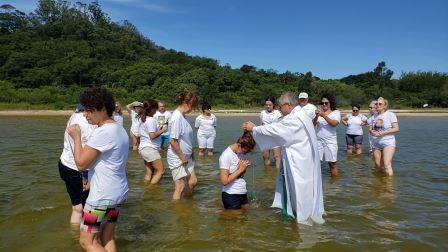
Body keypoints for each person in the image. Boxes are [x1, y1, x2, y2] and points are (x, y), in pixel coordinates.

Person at [242, 92, 325, 225]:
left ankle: (302, 217)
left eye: (281, 106)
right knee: (304, 188)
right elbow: (280, 129)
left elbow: (277, 130)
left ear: (288, 105)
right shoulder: (300, 114)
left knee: (299, 188)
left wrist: (255, 129)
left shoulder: (294, 119)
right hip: (304, 158)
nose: (279, 109)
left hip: (298, 161)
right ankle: (299, 212)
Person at [67, 87, 129, 252]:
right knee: (107, 237)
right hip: (118, 194)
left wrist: (76, 137)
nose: (85, 115)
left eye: (88, 110)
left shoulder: (103, 132)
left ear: (101, 109)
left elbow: (81, 164)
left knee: (87, 242)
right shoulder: (119, 128)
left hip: (101, 198)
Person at [59, 105, 96, 224]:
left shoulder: (74, 116)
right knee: (90, 209)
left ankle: (75, 238)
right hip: (81, 171)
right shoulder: (88, 122)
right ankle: (87, 239)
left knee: (77, 207)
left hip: (65, 165)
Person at [168, 91, 199, 200]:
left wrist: (191, 154)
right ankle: (178, 211)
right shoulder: (176, 117)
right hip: (178, 157)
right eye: (193, 106)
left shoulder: (184, 117)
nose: (193, 109)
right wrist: (182, 157)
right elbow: (173, 140)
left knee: (192, 181)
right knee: (180, 186)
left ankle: (188, 206)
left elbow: (186, 139)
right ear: (187, 102)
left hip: (187, 156)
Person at [219, 132, 256, 210]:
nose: (245, 153)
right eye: (245, 151)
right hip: (231, 194)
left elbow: (239, 176)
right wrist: (240, 169)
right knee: (234, 219)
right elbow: (224, 181)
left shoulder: (239, 153)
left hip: (242, 192)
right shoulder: (226, 156)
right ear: (239, 145)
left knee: (244, 218)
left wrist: (244, 168)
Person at [138, 100, 167, 184]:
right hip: (150, 148)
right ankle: (151, 190)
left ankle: (146, 188)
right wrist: (163, 130)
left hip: (144, 148)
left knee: (149, 172)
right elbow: (152, 136)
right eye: (156, 108)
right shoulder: (150, 120)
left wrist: (159, 129)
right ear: (153, 109)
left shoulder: (143, 119)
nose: (157, 110)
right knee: (160, 171)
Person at [369, 97, 399, 176]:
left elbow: (396, 129)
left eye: (380, 104)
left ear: (385, 106)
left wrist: (383, 133)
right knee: (377, 165)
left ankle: (389, 185)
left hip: (388, 142)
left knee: (386, 164)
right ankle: (379, 182)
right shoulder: (373, 116)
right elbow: (371, 129)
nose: (377, 105)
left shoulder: (390, 114)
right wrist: (372, 131)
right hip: (376, 143)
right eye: (376, 104)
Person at [313, 93, 341, 176]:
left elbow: (334, 123)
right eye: (322, 103)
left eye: (326, 103)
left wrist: (324, 116)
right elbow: (313, 125)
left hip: (330, 141)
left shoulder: (336, 112)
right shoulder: (319, 113)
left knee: (332, 164)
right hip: (318, 141)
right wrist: (316, 116)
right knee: (316, 163)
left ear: (330, 103)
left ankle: (334, 185)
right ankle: (316, 182)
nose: (324, 104)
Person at [259, 97, 282, 168]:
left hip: (275, 137)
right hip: (265, 137)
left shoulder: (278, 113)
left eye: (270, 105)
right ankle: (267, 176)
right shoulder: (262, 113)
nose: (268, 106)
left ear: (273, 105)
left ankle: (278, 174)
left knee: (277, 156)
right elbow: (261, 125)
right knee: (266, 157)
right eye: (266, 105)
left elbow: (280, 125)